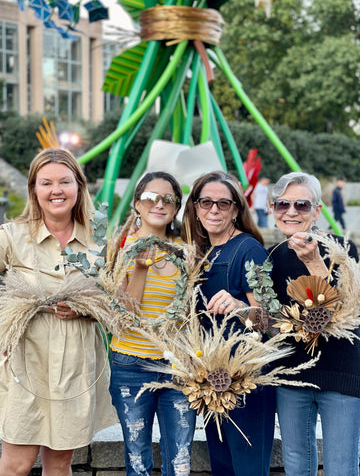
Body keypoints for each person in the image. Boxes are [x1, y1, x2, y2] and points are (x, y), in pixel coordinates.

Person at [0, 148, 116, 475]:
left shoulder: (98, 242)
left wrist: (85, 311)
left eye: (65, 181)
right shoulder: (12, 237)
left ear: (79, 187)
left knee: (61, 464)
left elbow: (116, 301)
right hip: (27, 366)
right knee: (17, 465)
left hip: (74, 368)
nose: (56, 191)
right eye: (46, 183)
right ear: (34, 190)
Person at [182, 170, 276, 476]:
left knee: (247, 468)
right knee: (222, 467)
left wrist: (239, 306)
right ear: (195, 207)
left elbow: (268, 319)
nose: (214, 210)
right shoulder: (202, 252)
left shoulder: (250, 249)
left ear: (236, 209)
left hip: (245, 382)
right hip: (212, 382)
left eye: (223, 204)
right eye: (206, 202)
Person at [269, 171, 360, 476]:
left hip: (340, 376)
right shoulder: (273, 257)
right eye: (282, 204)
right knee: (296, 463)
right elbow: (273, 319)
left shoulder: (341, 250)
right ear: (272, 210)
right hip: (292, 377)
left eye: (301, 205)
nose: (291, 212)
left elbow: (347, 310)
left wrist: (313, 263)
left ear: (317, 210)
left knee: (341, 467)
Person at [109, 171, 196, 476]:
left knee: (181, 462)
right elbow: (126, 315)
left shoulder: (186, 251)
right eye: (150, 197)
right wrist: (141, 269)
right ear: (136, 203)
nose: (159, 204)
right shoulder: (121, 247)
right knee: (137, 461)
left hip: (177, 367)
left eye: (168, 199)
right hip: (130, 364)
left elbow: (188, 315)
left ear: (176, 207)